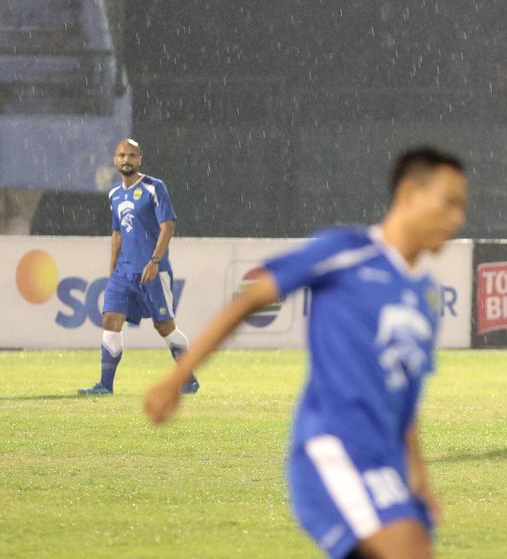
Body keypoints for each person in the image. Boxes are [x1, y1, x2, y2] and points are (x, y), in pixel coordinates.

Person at [145, 147, 468, 559]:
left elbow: (405, 397)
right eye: (449, 202)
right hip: (334, 449)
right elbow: (248, 300)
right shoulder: (347, 250)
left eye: (462, 207)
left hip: (385, 464)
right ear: (408, 193)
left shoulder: (425, 296)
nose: (457, 219)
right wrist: (176, 377)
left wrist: (419, 476)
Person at [79, 138, 199, 395]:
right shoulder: (114, 193)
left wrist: (155, 261)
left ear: (140, 159)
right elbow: (117, 233)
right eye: (122, 155)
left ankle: (189, 379)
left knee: (164, 325)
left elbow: (168, 227)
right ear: (115, 159)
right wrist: (112, 267)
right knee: (110, 318)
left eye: (132, 155)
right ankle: (105, 385)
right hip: (123, 272)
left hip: (152, 270)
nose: (126, 160)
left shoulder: (155, 188)